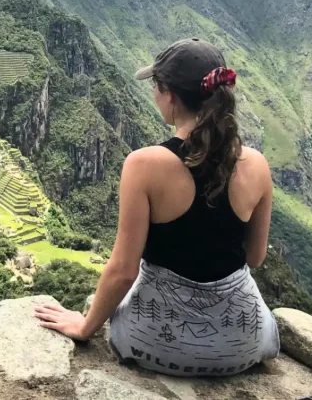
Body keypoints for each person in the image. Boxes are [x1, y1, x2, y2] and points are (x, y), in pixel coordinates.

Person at [34, 38, 279, 377]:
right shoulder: (257, 164)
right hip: (244, 344)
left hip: (155, 343)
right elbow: (255, 258)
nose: (154, 94)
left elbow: (123, 271)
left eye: (156, 86)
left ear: (171, 96)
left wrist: (85, 326)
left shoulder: (144, 165)